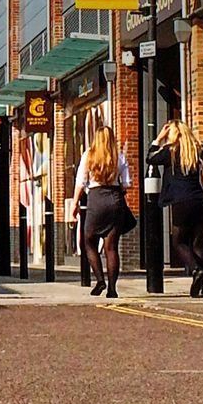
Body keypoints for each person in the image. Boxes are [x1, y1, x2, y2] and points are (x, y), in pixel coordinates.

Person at [147, 119, 203, 298]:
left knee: (178, 242)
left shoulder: (170, 151)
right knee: (198, 244)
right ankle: (201, 288)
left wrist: (158, 139)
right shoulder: (199, 149)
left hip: (181, 202)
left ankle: (195, 270)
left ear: (173, 135)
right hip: (202, 202)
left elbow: (150, 158)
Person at [71, 126, 132, 299]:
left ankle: (100, 280)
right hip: (115, 199)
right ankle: (112, 289)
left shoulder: (88, 155)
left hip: (96, 199)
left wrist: (74, 206)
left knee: (88, 241)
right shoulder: (119, 156)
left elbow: (80, 182)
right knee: (111, 247)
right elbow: (127, 183)